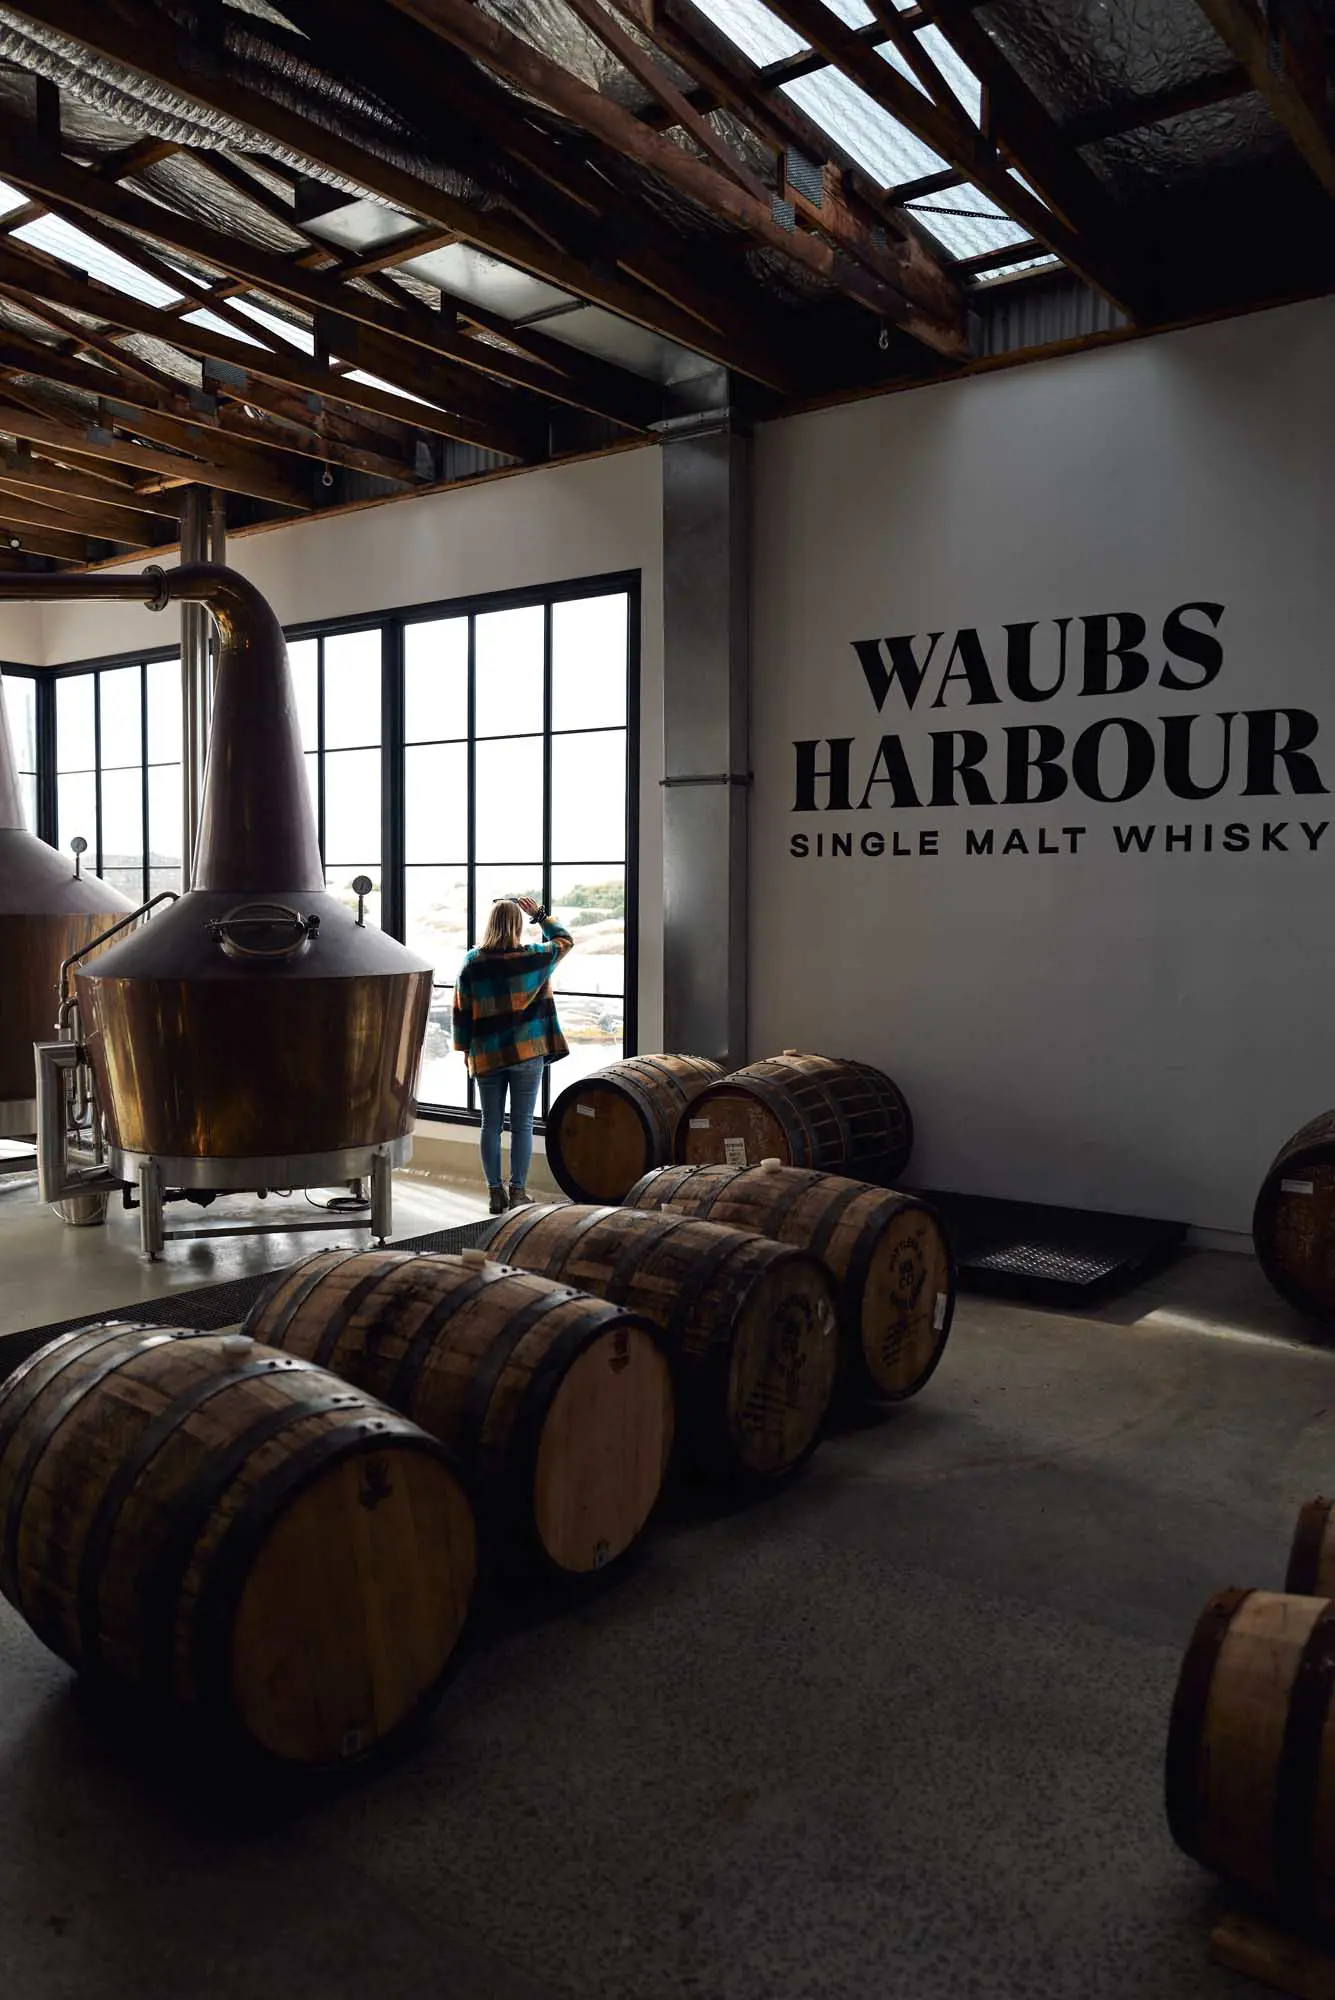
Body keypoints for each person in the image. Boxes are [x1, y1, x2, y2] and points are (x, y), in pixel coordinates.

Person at [452, 894, 572, 1214]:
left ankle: (495, 1194)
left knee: (490, 1125)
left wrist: (466, 1050)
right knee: (522, 1126)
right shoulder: (534, 957)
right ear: (519, 924)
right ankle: (517, 1193)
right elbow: (564, 940)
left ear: (490, 924)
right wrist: (541, 915)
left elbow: (461, 1012)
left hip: (488, 1055)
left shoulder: (473, 961)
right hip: (526, 1054)